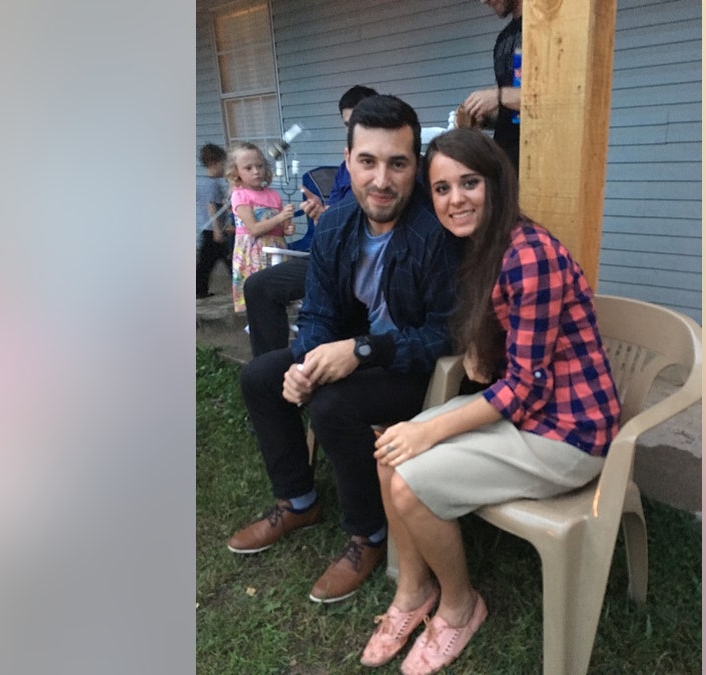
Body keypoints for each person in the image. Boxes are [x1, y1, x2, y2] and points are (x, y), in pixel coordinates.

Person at [357, 128, 620, 674]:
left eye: (469, 182)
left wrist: (431, 430)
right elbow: (496, 365)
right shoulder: (484, 250)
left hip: (567, 434)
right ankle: (412, 592)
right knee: (391, 453)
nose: (456, 199)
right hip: (528, 418)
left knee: (410, 476)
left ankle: (459, 605)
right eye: (442, 188)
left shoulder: (529, 255)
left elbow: (526, 386)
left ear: (497, 183)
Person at [230, 95, 462, 605]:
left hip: (413, 368)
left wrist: (358, 351)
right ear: (347, 160)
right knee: (262, 378)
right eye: (368, 161)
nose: (381, 180)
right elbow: (318, 313)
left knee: (335, 406)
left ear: (415, 167)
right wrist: (307, 362)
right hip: (359, 353)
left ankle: (368, 535)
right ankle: (298, 500)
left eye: (397, 163)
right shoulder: (336, 225)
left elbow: (442, 337)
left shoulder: (435, 232)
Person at [241, 84, 379, 355]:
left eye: (361, 123)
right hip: (328, 256)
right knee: (258, 286)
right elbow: (335, 212)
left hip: (364, 259)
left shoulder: (388, 165)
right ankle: (274, 364)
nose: (354, 132)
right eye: (348, 125)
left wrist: (335, 219)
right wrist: (322, 214)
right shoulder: (345, 166)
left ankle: (318, 360)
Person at [226, 142, 296, 315]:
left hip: (276, 249)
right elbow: (254, 229)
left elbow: (279, 227)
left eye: (259, 166)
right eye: (248, 168)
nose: (256, 171)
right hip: (254, 253)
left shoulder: (273, 195)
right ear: (236, 172)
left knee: (277, 295)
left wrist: (286, 227)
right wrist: (280, 217)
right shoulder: (240, 195)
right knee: (260, 298)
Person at [461, 0, 523, 171]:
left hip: (540, 166)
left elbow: (554, 98)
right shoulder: (504, 39)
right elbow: (516, 116)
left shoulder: (547, 29)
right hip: (506, 167)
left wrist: (498, 96)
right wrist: (483, 119)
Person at [195, 143, 232, 298]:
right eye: (223, 164)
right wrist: (218, 230)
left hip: (207, 227)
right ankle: (198, 290)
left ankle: (199, 290)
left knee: (218, 259)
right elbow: (211, 206)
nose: (224, 168)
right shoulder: (213, 184)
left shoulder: (202, 182)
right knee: (208, 262)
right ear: (213, 163)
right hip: (213, 229)